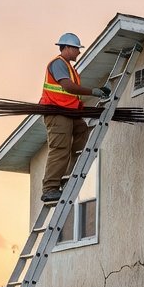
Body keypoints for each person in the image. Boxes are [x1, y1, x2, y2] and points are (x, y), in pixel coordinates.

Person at [40, 33, 111, 204]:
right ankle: (50, 188)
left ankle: (66, 179)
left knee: (81, 133)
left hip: (69, 112)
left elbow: (70, 90)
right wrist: (93, 91)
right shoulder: (58, 64)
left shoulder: (70, 68)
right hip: (57, 112)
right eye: (77, 49)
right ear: (67, 48)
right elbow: (68, 87)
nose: (79, 52)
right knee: (60, 148)